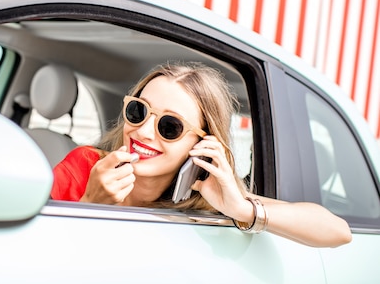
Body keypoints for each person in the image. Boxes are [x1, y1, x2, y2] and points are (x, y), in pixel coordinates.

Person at [51, 62, 352, 248]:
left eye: (170, 126)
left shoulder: (207, 200)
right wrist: (91, 203)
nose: (143, 132)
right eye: (138, 111)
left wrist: (243, 208)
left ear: (202, 145)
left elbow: (339, 232)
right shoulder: (85, 166)